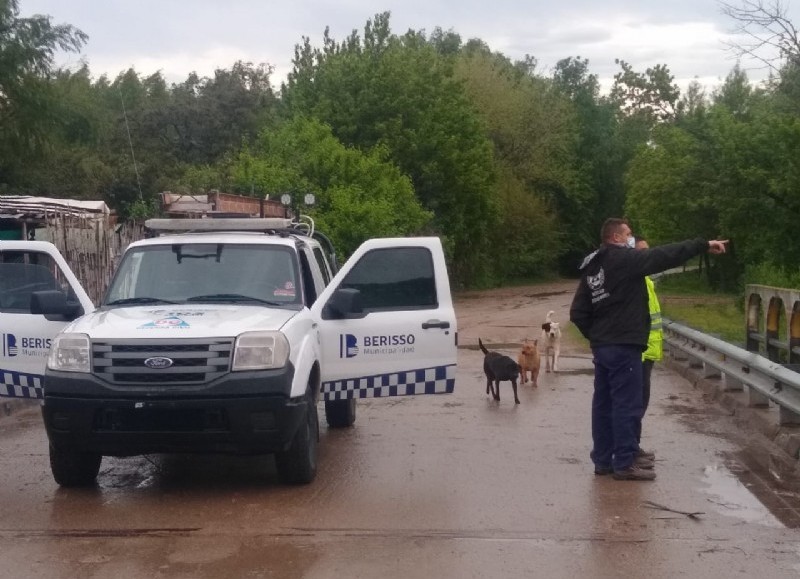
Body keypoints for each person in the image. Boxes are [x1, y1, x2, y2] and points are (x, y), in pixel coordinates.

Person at [569, 218, 727, 481]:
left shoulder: (593, 265)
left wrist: (598, 337)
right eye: (628, 234)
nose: (632, 240)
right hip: (624, 346)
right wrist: (702, 245)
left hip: (604, 348)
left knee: (604, 405)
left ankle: (603, 461)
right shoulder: (625, 260)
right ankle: (625, 462)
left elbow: (578, 312)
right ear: (617, 238)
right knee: (626, 405)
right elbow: (665, 255)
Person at [635, 238, 662, 452]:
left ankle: (633, 447)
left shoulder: (647, 281)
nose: (647, 255)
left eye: (648, 251)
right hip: (638, 354)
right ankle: (630, 449)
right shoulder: (635, 282)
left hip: (648, 353)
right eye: (642, 251)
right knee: (634, 405)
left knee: (641, 404)